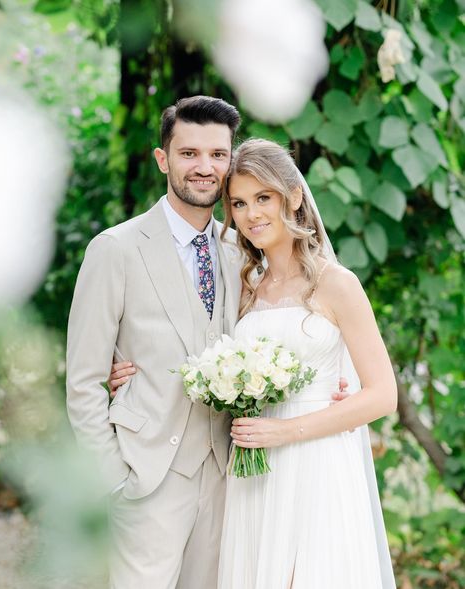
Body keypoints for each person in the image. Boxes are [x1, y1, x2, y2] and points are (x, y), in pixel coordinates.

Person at [66, 95, 243, 589]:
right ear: (163, 159)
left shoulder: (237, 252)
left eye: (217, 154)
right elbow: (82, 381)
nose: (204, 167)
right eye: (189, 153)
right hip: (146, 478)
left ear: (230, 161)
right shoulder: (115, 249)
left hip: (225, 476)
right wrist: (115, 479)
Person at [215, 138, 397, 588]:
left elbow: (382, 395)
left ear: (293, 197)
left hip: (317, 461)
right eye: (239, 203)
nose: (251, 214)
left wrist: (285, 431)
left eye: (263, 198)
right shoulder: (245, 287)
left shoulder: (337, 284)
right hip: (256, 467)